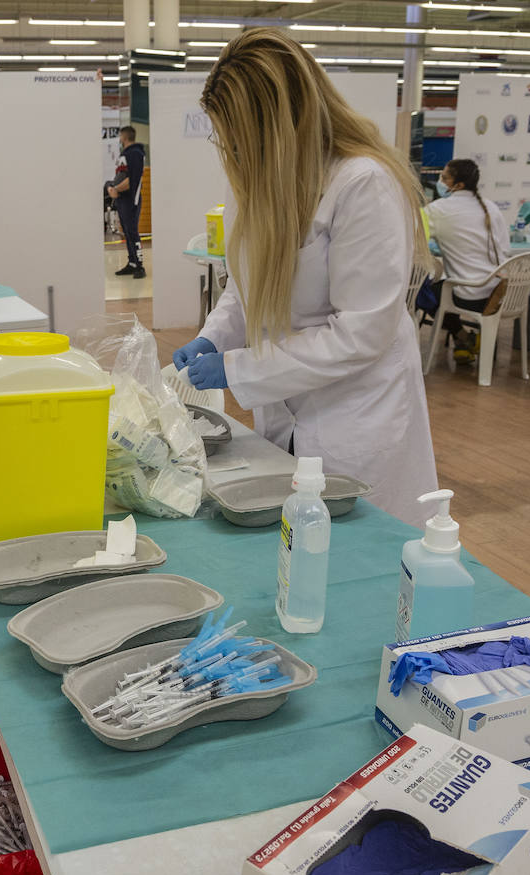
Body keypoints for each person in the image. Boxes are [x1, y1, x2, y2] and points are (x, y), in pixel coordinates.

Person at [171, 28, 438, 526]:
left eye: (240, 140)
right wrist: (214, 337)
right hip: (288, 414)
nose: (232, 153)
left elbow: (361, 334)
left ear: (278, 128)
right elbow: (246, 285)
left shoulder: (362, 184)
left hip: (356, 414)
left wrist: (241, 368)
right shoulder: (262, 179)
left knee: (360, 559)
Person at [425, 159, 511, 365]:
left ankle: (462, 336)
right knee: (443, 287)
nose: (440, 181)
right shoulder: (491, 207)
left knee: (424, 291)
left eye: (444, 178)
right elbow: (505, 249)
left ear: (459, 185)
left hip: (470, 295)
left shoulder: (437, 210)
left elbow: (412, 240)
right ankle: (464, 341)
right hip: (500, 291)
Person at [108, 126, 146, 279]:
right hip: (122, 200)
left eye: (120, 136)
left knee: (133, 232)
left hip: (131, 200)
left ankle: (139, 265)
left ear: (124, 137)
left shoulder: (135, 153)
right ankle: (132, 263)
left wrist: (116, 188)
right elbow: (122, 175)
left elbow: (133, 180)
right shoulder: (125, 154)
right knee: (127, 232)